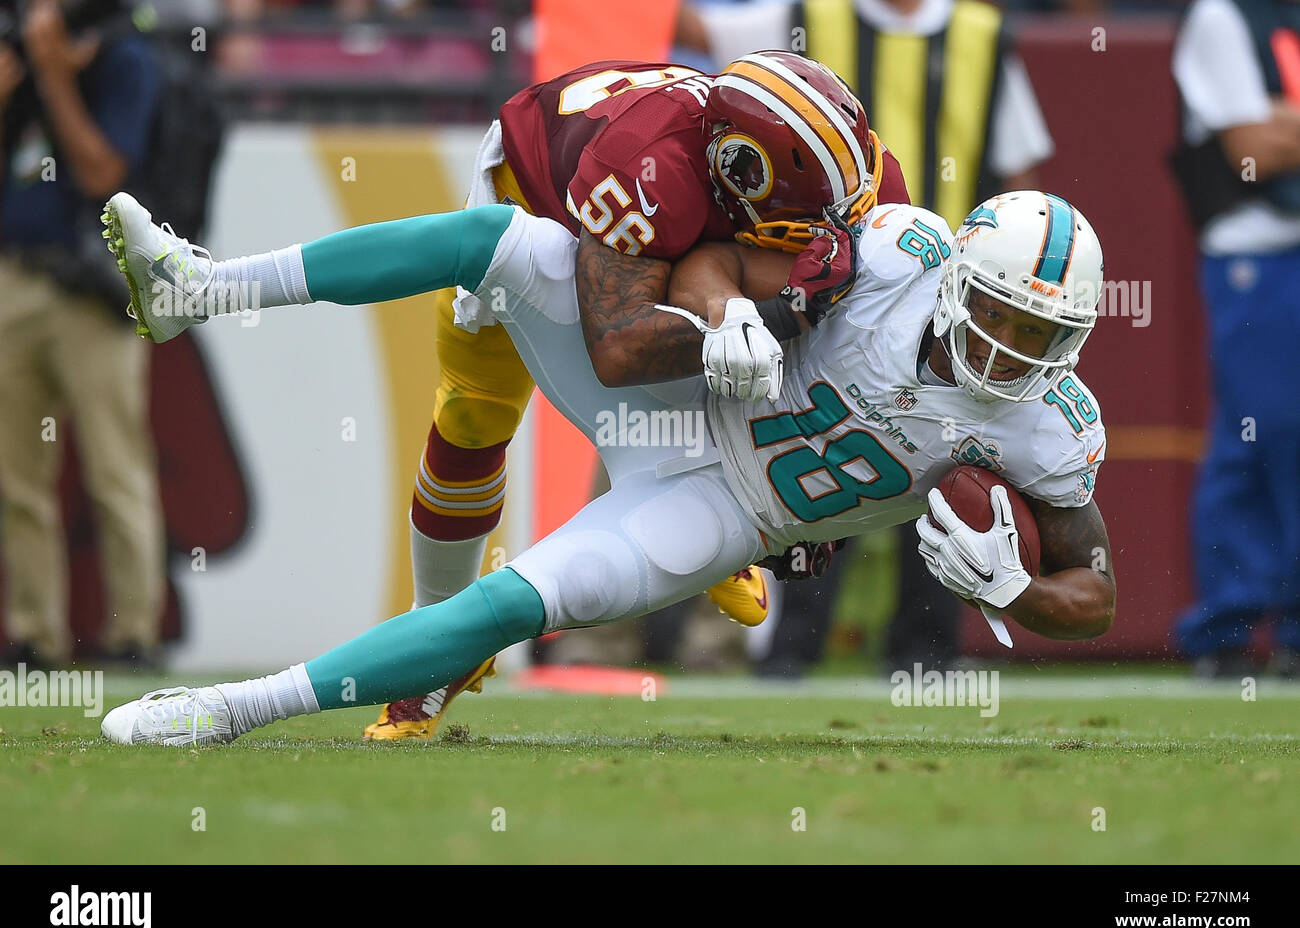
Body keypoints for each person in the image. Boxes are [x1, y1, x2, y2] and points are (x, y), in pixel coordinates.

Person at [96, 186, 1116, 746]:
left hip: (723, 510)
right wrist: (726, 322)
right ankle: (204, 286)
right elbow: (720, 264)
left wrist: (1022, 591)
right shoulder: (895, 256)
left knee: (516, 602)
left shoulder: (1047, 425)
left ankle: (230, 711)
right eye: (1002, 311)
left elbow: (1097, 587)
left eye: (1043, 329)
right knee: (500, 240)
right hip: (677, 394)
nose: (1015, 344)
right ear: (957, 282)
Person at [212, 50, 912, 737]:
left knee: (735, 364)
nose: (829, 235)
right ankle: (436, 638)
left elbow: (841, 322)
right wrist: (769, 318)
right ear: (740, 174)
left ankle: (712, 516)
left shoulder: (859, 176)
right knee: (474, 410)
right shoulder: (649, 160)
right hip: (546, 213)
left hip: (667, 253)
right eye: (803, 227)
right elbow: (619, 344)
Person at [686, 0, 1056, 674]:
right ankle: (792, 654)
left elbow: (1020, 185)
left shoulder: (983, 34)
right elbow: (694, 33)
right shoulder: (803, 16)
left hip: (955, 318)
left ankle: (925, 657)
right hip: (836, 300)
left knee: (941, 478)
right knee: (826, 459)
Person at [0, 0, 165, 671]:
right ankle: (35, 635)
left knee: (115, 467)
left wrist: (55, 75)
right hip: (13, 281)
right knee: (18, 478)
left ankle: (134, 633)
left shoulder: (123, 58)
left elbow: (103, 173)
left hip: (92, 293)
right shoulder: (16, 59)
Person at [1170, 0, 1300, 678]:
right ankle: (1230, 619)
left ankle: (1241, 622)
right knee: (1268, 429)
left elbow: (1280, 135)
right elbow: (1254, 149)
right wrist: (1277, 131)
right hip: (1256, 254)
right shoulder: (1222, 15)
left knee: (1252, 440)